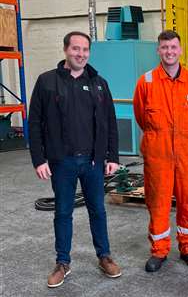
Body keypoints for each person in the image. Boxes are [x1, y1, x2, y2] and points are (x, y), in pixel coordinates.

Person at [28, 31, 122, 288]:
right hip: (62, 162)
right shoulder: (47, 82)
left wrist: (112, 156)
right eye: (75, 49)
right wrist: (39, 159)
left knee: (98, 211)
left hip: (93, 162)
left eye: (85, 50)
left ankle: (104, 256)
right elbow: (34, 122)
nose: (80, 54)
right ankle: (62, 262)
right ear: (66, 50)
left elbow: (110, 123)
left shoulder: (99, 83)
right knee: (63, 213)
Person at [133, 30, 188, 272]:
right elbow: (141, 116)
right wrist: (160, 137)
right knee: (158, 202)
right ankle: (159, 250)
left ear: (180, 50)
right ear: (158, 50)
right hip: (158, 154)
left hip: (186, 153)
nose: (169, 52)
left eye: (174, 47)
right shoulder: (147, 82)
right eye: (165, 48)